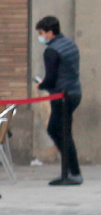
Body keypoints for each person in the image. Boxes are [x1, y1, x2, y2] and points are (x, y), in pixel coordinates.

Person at [36, 16, 83, 185]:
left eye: (41, 33)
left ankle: (73, 171)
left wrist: (40, 85)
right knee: (62, 131)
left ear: (49, 32)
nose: (40, 37)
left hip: (62, 96)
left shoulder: (52, 51)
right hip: (75, 92)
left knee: (59, 131)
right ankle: (70, 170)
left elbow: (51, 77)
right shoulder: (70, 44)